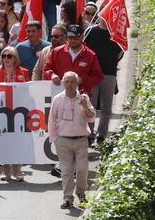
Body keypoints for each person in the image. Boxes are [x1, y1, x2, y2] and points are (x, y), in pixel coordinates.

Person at [48, 71, 96, 209]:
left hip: (81, 139)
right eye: (67, 81)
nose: (69, 84)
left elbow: (91, 117)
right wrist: (54, 139)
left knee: (82, 169)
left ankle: (81, 193)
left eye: (72, 81)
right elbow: (51, 119)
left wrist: (85, 107)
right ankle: (68, 198)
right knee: (67, 171)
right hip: (63, 140)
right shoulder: (57, 99)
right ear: (63, 83)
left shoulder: (84, 98)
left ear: (77, 83)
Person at [81, 3, 122, 142]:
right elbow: (84, 49)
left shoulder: (115, 34)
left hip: (109, 74)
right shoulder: (91, 32)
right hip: (93, 75)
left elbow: (120, 53)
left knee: (106, 107)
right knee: (90, 106)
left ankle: (102, 135)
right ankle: (90, 134)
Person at [0, 47, 30, 182]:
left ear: (15, 58)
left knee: (18, 141)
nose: (6, 59)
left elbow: (28, 92)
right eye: (4, 56)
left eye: (9, 56)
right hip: (1, 112)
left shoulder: (24, 73)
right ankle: (6, 170)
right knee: (3, 142)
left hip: (19, 112)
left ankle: (17, 170)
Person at [43, 25, 104, 95]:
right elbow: (47, 69)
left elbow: (98, 76)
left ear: (82, 37)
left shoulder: (90, 55)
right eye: (70, 38)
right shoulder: (56, 52)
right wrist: (52, 75)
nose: (73, 41)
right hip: (59, 94)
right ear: (67, 37)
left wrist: (82, 80)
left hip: (81, 95)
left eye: (76, 38)